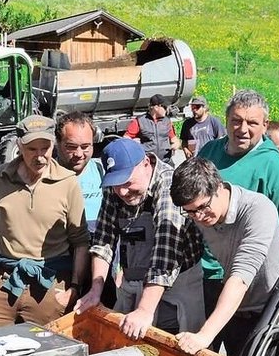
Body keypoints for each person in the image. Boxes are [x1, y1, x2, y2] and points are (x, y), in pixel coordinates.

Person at [75, 139, 202, 339]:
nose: (122, 192)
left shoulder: (169, 183)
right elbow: (103, 238)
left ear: (145, 164)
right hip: (133, 278)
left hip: (176, 284)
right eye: (116, 185)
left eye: (127, 183)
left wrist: (144, 310)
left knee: (172, 343)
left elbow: (166, 251)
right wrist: (95, 289)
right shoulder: (115, 184)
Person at [196, 90, 279, 315]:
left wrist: (260, 270)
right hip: (203, 274)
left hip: (247, 287)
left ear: (265, 125)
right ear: (226, 121)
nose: (242, 129)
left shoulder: (275, 170)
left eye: (252, 122)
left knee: (239, 349)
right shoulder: (209, 152)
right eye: (236, 121)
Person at [0, 115, 89, 328]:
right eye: (31, 149)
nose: (39, 156)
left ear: (53, 145)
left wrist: (73, 288)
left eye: (44, 148)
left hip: (49, 283)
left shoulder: (67, 182)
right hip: (4, 281)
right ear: (19, 145)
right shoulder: (0, 177)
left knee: (48, 355)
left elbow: (80, 240)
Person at [168, 156, 279, 356]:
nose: (199, 217)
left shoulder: (258, 210)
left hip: (269, 314)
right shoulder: (199, 214)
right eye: (190, 212)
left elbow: (240, 278)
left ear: (219, 187)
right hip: (236, 312)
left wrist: (204, 336)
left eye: (203, 207)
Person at [56, 111, 104, 229]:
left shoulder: (103, 170)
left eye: (85, 147)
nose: (79, 154)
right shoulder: (45, 176)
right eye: (71, 147)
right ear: (57, 143)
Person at [125, 94, 179, 164]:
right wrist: (135, 148)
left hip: (165, 162)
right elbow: (126, 139)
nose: (167, 110)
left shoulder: (167, 121)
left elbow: (174, 139)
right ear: (156, 107)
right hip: (147, 163)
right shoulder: (139, 121)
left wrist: (176, 144)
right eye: (165, 107)